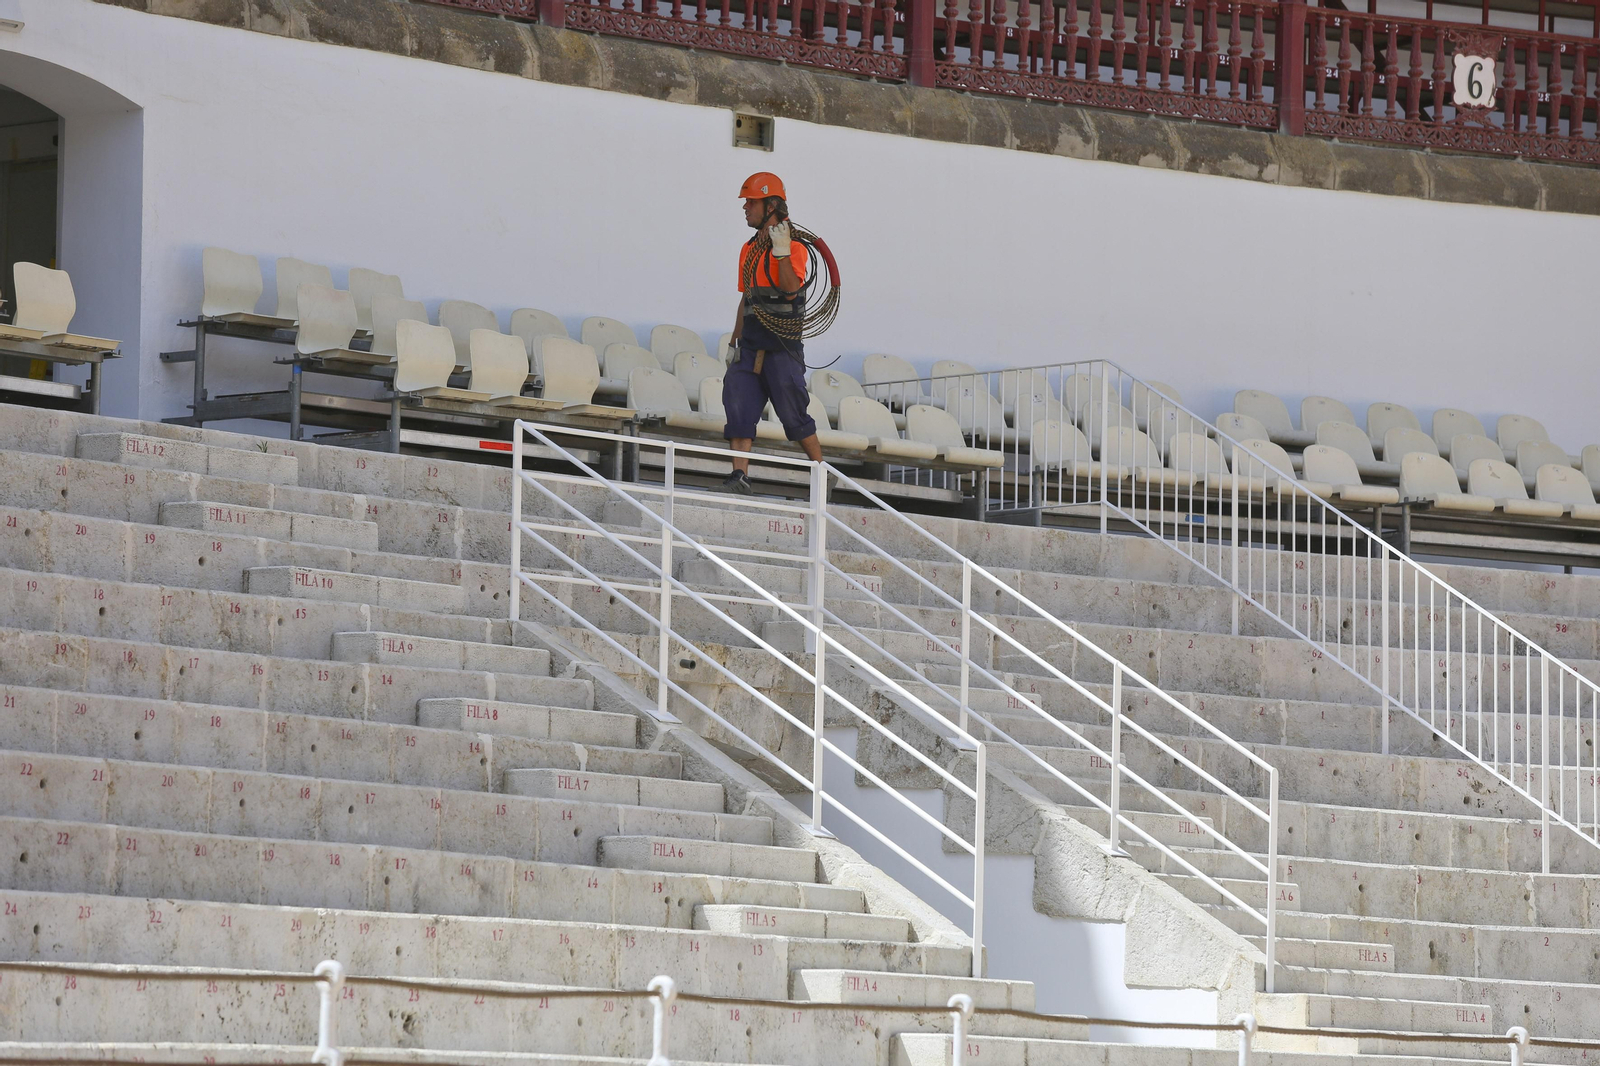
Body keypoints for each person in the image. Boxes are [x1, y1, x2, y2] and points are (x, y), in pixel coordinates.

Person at [716, 171, 824, 495]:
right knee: (737, 400)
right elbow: (746, 296)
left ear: (771, 204)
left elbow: (791, 291)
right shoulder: (748, 250)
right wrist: (734, 338)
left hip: (782, 347)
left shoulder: (795, 249)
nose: (745, 207)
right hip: (750, 345)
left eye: (752, 201)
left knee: (794, 414)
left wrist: (781, 253)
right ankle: (739, 476)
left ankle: (822, 474)